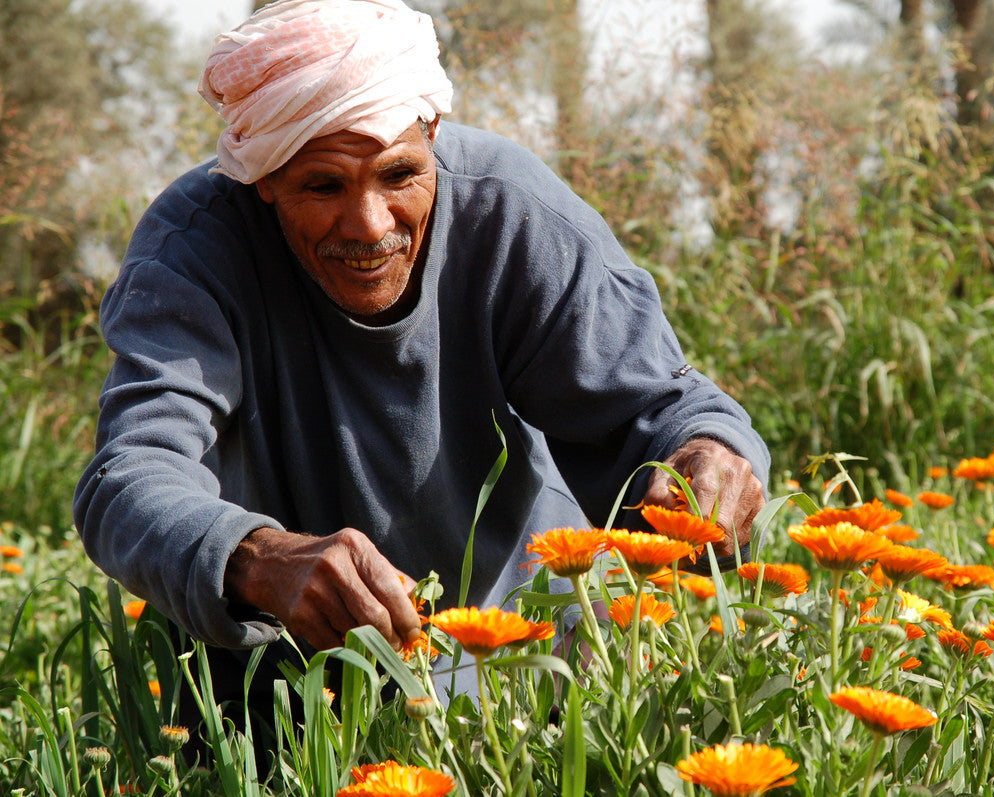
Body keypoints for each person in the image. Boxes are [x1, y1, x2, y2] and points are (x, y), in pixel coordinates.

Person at [74, 0, 768, 710]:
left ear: (432, 135)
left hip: (521, 677)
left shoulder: (512, 215)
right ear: (263, 179)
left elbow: (667, 407)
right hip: (278, 705)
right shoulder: (193, 250)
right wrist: (254, 554)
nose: (370, 226)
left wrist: (704, 455)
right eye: (323, 186)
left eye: (399, 175)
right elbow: (128, 478)